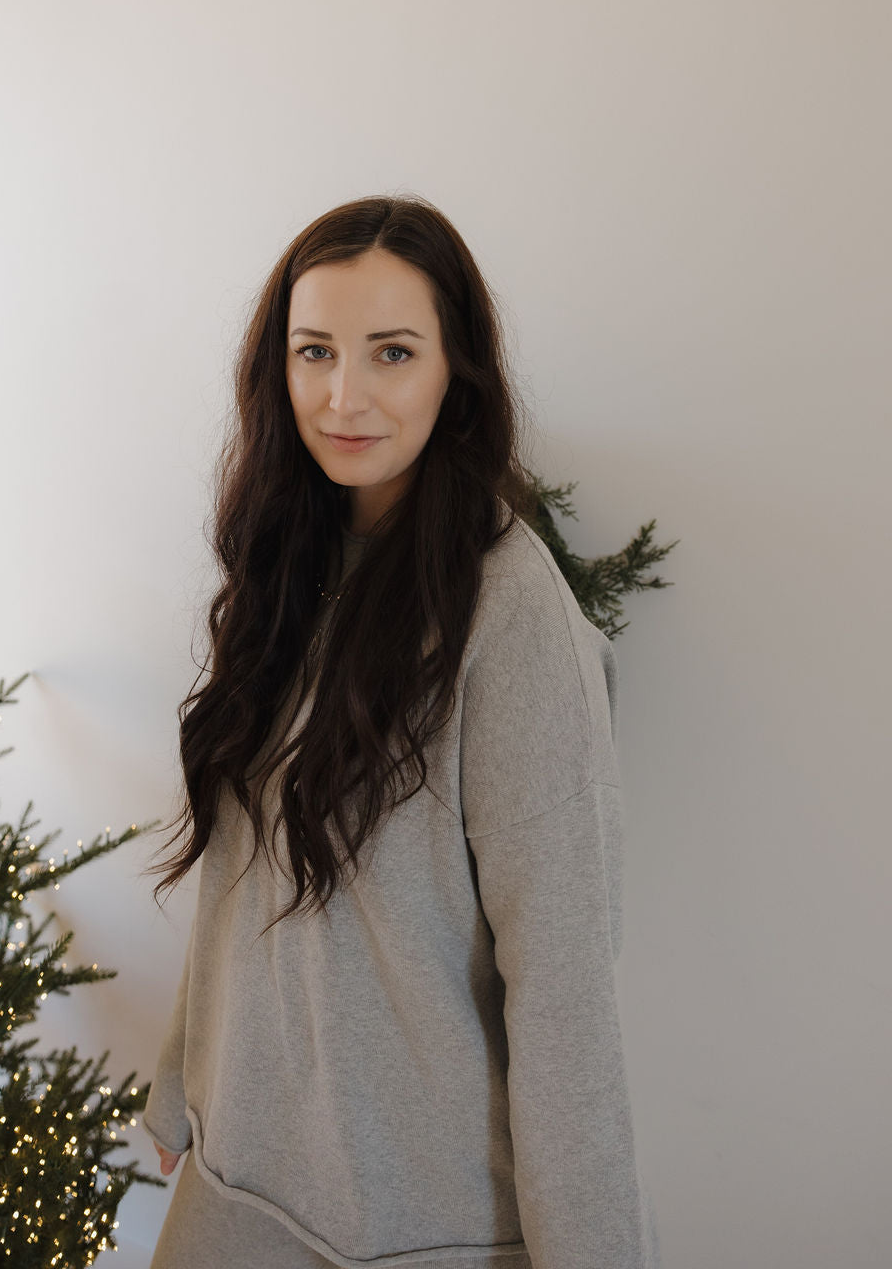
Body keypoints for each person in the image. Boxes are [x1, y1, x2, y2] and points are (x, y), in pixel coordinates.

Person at [142, 195, 661, 1269]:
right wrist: (181, 1078)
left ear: (454, 371)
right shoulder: (290, 564)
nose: (344, 396)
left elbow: (564, 995)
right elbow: (241, 867)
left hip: (417, 1234)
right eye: (314, 351)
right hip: (239, 1196)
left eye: (391, 353)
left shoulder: (510, 620)